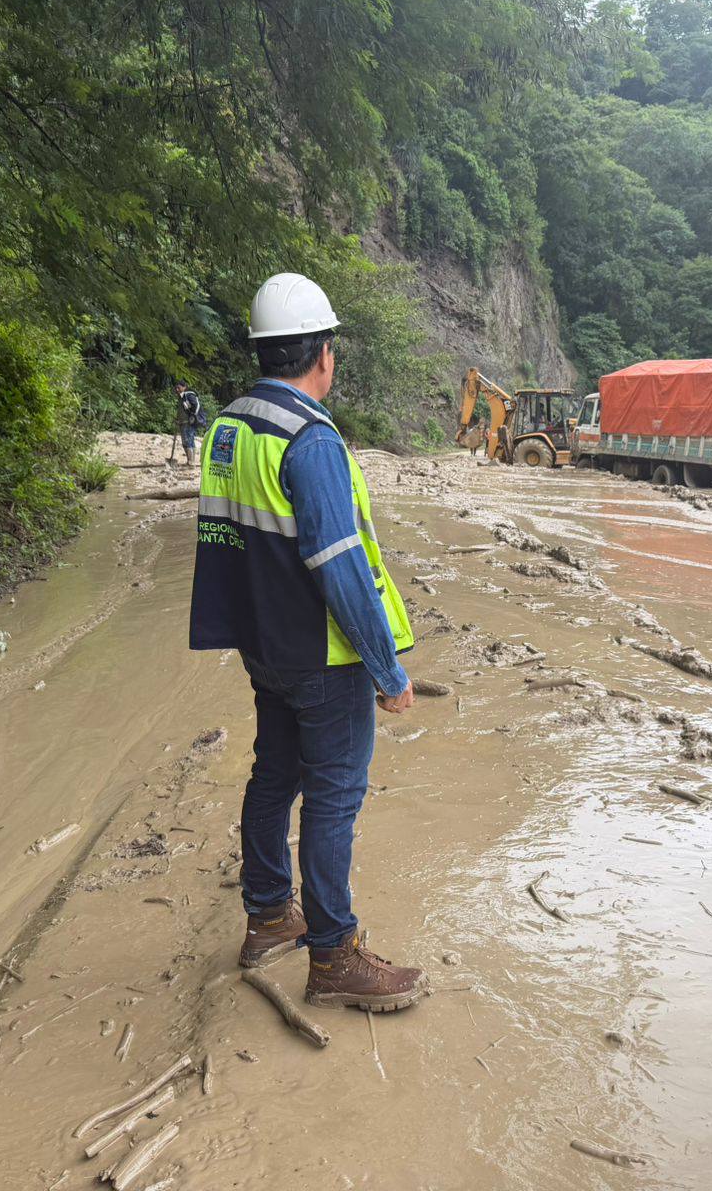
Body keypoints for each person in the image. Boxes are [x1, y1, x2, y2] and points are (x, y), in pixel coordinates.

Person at [189, 272, 426, 1012]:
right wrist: (386, 669)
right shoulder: (310, 439)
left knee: (274, 775)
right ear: (323, 354)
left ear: (263, 350)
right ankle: (334, 956)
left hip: (263, 645)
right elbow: (341, 566)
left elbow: (233, 541)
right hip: (324, 655)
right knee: (332, 799)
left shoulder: (230, 424)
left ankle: (267, 916)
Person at [175, 381, 203, 466]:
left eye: (179, 388)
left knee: (189, 441)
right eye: (176, 388)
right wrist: (177, 419)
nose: (177, 390)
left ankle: (191, 462)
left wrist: (192, 416)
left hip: (188, 422)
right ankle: (189, 461)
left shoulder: (189, 395)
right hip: (182, 422)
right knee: (184, 442)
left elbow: (196, 406)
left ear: (184, 387)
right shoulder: (181, 397)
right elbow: (181, 410)